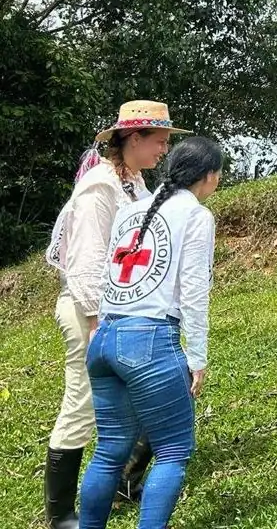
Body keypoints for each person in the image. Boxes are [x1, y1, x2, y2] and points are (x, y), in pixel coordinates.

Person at [43, 100, 187, 529]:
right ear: (134, 139)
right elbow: (85, 262)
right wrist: (95, 325)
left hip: (121, 312)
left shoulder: (136, 184)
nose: (163, 150)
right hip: (91, 311)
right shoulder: (99, 189)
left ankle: (124, 482)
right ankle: (61, 514)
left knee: (141, 402)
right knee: (83, 407)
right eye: (158, 141)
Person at [77, 137, 223, 529]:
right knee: (173, 449)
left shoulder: (132, 211)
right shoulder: (196, 216)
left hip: (105, 338)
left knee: (108, 452)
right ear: (209, 176)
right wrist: (197, 356)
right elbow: (194, 291)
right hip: (149, 342)